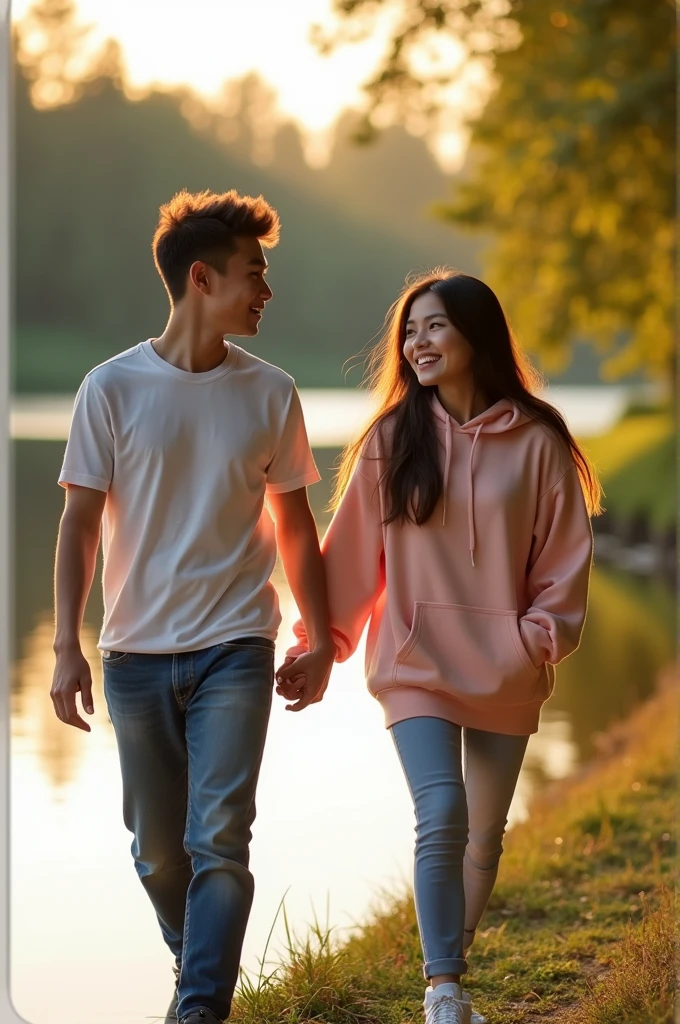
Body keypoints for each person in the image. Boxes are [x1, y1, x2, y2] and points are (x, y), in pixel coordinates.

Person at [277, 269, 600, 1024]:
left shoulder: (540, 439)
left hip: (507, 670)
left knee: (485, 838)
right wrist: (321, 642)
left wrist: (535, 641)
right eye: (411, 331)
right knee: (443, 809)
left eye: (436, 327)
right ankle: (443, 992)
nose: (418, 343)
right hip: (414, 663)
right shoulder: (393, 440)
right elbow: (349, 560)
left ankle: (452, 968)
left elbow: (565, 560)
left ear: (475, 335)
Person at [50, 188, 335, 1024]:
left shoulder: (272, 392)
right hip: (133, 653)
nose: (267, 292)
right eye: (256, 274)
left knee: (222, 837)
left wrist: (319, 637)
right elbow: (77, 525)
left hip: (237, 646)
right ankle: (200, 973)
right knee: (156, 854)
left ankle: (198, 1010)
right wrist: (65, 645)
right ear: (202, 279)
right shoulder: (109, 389)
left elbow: (295, 526)